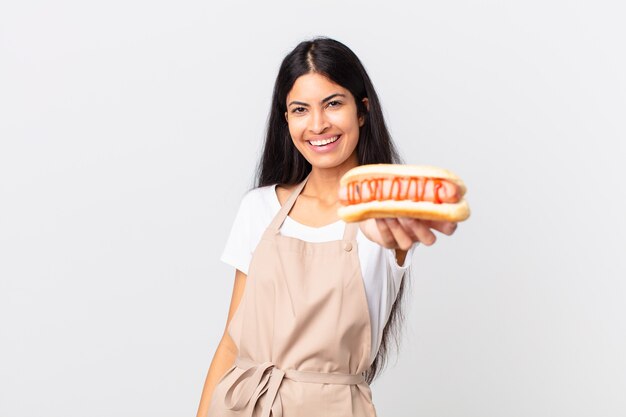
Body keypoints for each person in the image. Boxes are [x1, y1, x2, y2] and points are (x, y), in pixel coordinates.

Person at [196, 37, 458, 417]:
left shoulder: (384, 215)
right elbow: (230, 344)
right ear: (286, 120)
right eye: (300, 109)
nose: (317, 124)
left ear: (362, 111)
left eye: (333, 104)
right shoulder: (258, 209)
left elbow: (407, 221)